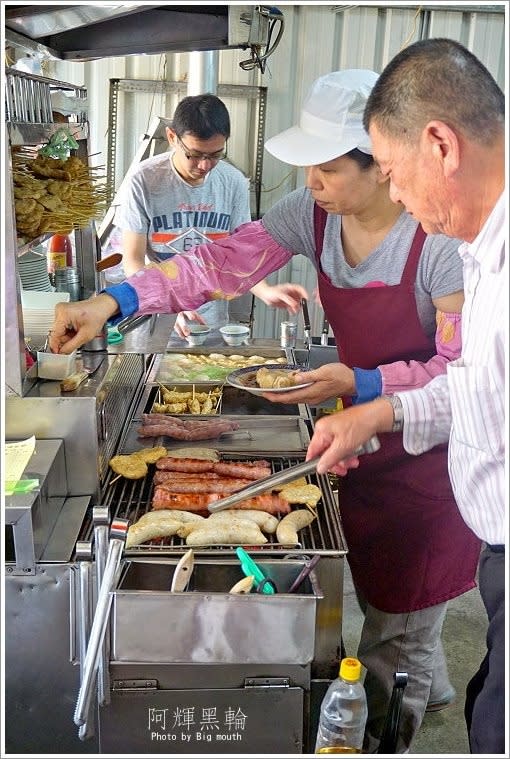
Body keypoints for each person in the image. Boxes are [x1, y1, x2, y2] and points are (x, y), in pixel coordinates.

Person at [49, 69, 483, 753]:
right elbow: (217, 264)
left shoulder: (444, 246)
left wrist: (367, 383)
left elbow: (464, 376)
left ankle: (392, 723)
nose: (309, 181)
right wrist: (115, 302)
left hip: (427, 470)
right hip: (353, 441)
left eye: (327, 167)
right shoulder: (314, 216)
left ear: (381, 163)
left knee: (396, 636)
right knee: (382, 613)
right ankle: (418, 674)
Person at [304, 41, 506, 756]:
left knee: (420, 652)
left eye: (391, 173)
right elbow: (470, 383)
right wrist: (373, 410)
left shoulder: (458, 250)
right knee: (450, 667)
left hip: (460, 505)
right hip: (475, 523)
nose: (397, 197)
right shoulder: (481, 247)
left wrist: (368, 396)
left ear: (439, 145)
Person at [111, 92, 306, 335]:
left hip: (211, 325)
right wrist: (166, 303)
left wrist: (265, 290)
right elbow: (133, 259)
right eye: (194, 155)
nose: (204, 166)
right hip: (156, 321)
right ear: (172, 137)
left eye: (215, 155)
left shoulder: (233, 181)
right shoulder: (143, 180)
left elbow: (243, 256)